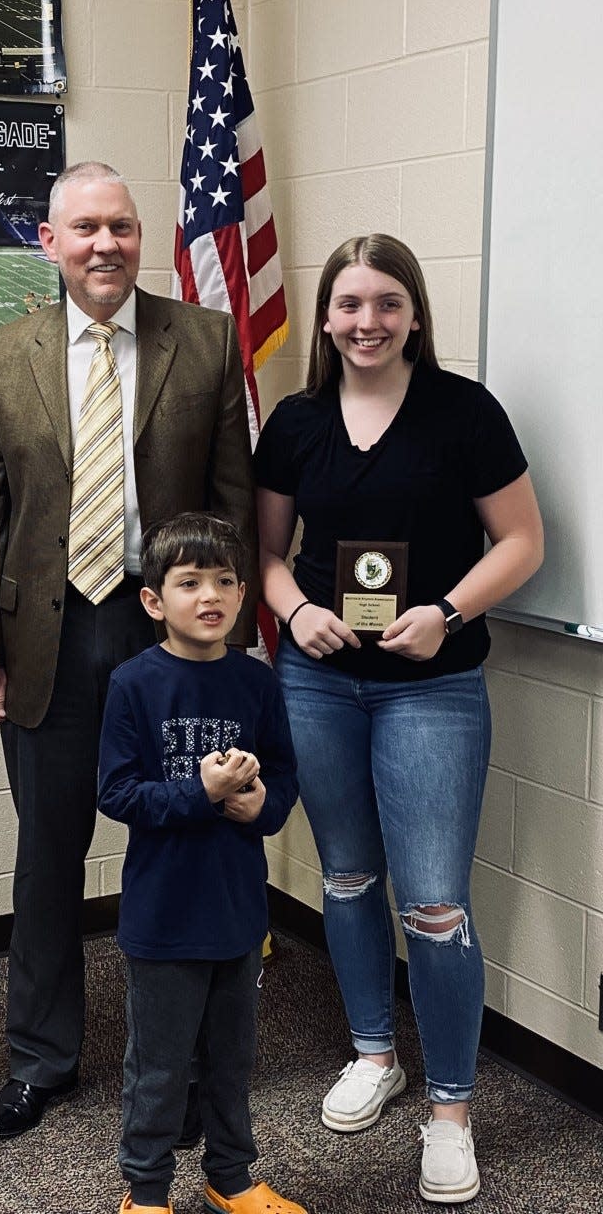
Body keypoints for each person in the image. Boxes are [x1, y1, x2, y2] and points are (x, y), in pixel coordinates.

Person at [0, 161, 257, 1140]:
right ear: (49, 242)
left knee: (181, 844)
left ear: (141, 236)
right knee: (48, 856)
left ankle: (189, 1057)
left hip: (165, 635)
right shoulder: (4, 353)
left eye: (120, 227)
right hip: (46, 636)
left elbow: (232, 503)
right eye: (83, 228)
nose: (104, 245)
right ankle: (42, 1058)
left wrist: (230, 647)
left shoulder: (204, 341)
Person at [254, 234, 543, 1205]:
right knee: (345, 875)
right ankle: (374, 1052)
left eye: (386, 302)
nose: (366, 321)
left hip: (433, 686)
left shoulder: (464, 412)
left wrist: (448, 612)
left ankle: (451, 1108)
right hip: (319, 681)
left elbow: (523, 539)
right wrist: (296, 611)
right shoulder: (295, 421)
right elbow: (268, 554)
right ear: (326, 317)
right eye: (348, 304)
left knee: (433, 900)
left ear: (414, 311)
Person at [98, 513, 304, 1214]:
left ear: (244, 594)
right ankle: (147, 1191)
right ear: (155, 601)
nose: (209, 595)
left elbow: (282, 775)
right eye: (189, 582)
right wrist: (202, 792)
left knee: (231, 1061)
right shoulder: (133, 683)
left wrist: (260, 806)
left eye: (223, 581)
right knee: (157, 1067)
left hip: (238, 910)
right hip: (163, 915)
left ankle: (232, 1177)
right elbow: (118, 792)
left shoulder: (256, 683)